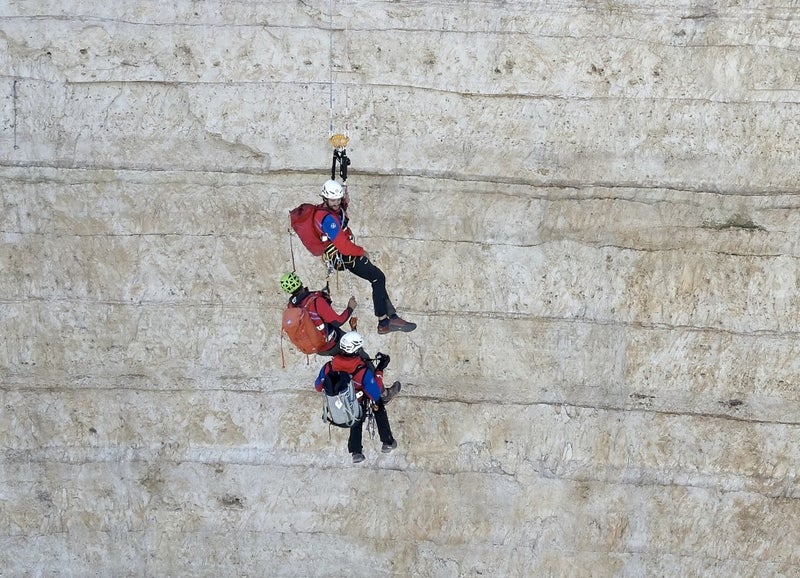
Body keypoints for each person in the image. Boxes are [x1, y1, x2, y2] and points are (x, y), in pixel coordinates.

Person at [314, 179, 416, 335]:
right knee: (378, 278)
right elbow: (343, 246)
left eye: (338, 200)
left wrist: (344, 198)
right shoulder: (328, 220)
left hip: (342, 255)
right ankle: (384, 322)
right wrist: (361, 251)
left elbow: (340, 211)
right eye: (333, 200)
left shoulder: (330, 210)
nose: (336, 203)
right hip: (343, 256)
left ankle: (390, 318)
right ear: (325, 199)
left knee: (377, 278)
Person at [315, 331, 400, 463]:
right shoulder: (362, 371)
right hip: (355, 405)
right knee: (376, 404)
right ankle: (387, 441)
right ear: (357, 349)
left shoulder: (328, 367)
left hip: (336, 410)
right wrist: (380, 369)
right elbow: (375, 392)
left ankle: (356, 452)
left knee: (355, 408)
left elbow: (318, 387)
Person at [281, 271, 357, 356]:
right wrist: (350, 308)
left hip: (318, 348)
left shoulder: (291, 307)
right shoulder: (317, 301)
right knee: (358, 352)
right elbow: (338, 321)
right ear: (299, 281)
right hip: (332, 342)